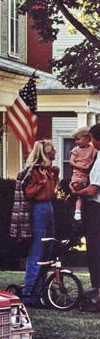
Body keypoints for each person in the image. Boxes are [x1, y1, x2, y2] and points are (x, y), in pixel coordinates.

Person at [10, 140, 59, 305]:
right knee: (37, 251)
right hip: (38, 209)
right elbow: (28, 193)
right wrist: (41, 182)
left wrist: (54, 177)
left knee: (47, 251)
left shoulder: (48, 170)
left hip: (49, 207)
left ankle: (42, 291)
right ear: (45, 153)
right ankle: (29, 294)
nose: (56, 152)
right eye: (52, 150)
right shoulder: (35, 171)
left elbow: (52, 192)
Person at [70, 123, 100, 300]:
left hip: (96, 209)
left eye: (93, 138)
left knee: (95, 250)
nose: (91, 142)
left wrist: (77, 192)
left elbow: (93, 190)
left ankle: (97, 290)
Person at [68, 126, 97, 221]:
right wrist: (81, 167)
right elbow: (71, 162)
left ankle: (79, 211)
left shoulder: (93, 149)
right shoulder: (76, 150)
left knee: (84, 194)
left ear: (87, 138)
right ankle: (77, 212)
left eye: (78, 139)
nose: (76, 142)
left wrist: (89, 166)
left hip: (87, 175)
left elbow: (94, 159)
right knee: (78, 189)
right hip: (77, 173)